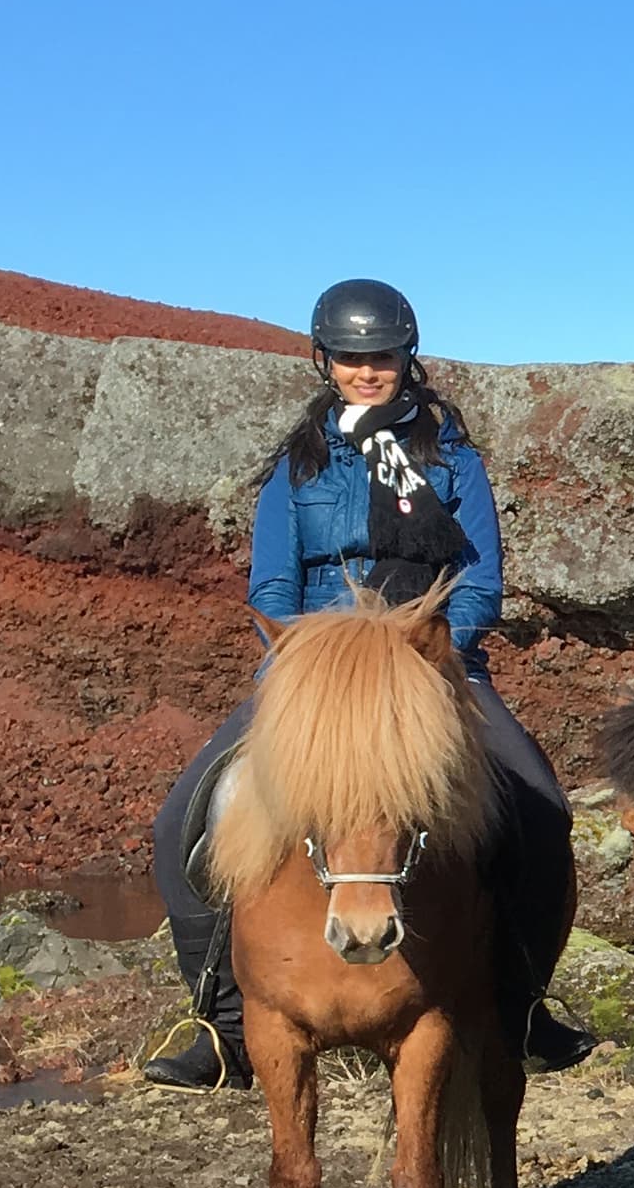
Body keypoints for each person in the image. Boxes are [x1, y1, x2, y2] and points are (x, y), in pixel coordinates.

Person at [142, 279, 585, 1090]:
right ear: (328, 363)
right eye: (351, 359)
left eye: (380, 356)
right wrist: (308, 667)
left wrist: (429, 657)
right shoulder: (296, 467)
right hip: (313, 675)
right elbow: (272, 588)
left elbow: (479, 583)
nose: (366, 371)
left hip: (429, 670)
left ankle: (523, 1007)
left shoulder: (453, 460)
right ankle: (222, 1023)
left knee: (543, 814)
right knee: (182, 822)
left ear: (405, 359)